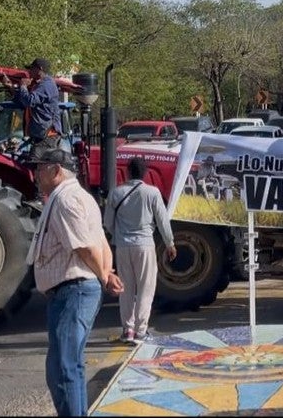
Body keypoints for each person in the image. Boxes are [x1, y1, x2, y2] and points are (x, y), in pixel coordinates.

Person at [26, 140, 124, 417]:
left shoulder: (66, 199)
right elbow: (101, 242)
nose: (35, 174)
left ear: (56, 170)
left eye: (39, 168)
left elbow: (84, 246)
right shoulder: (76, 197)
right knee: (66, 364)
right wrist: (106, 273)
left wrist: (105, 275)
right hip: (72, 290)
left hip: (74, 289)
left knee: (63, 366)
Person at [104, 157, 177, 345]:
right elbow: (162, 220)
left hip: (122, 246)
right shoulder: (152, 193)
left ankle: (127, 330)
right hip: (145, 245)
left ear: (127, 172)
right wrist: (170, 243)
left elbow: (107, 223)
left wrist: (119, 236)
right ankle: (141, 331)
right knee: (146, 288)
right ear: (144, 173)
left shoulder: (116, 192)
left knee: (126, 288)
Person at [1, 58, 63, 143]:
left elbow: (29, 101)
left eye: (32, 68)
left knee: (34, 157)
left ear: (40, 69)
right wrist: (10, 87)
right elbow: (23, 102)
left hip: (48, 136)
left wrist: (23, 86)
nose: (29, 71)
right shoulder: (38, 85)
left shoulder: (46, 85)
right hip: (40, 136)